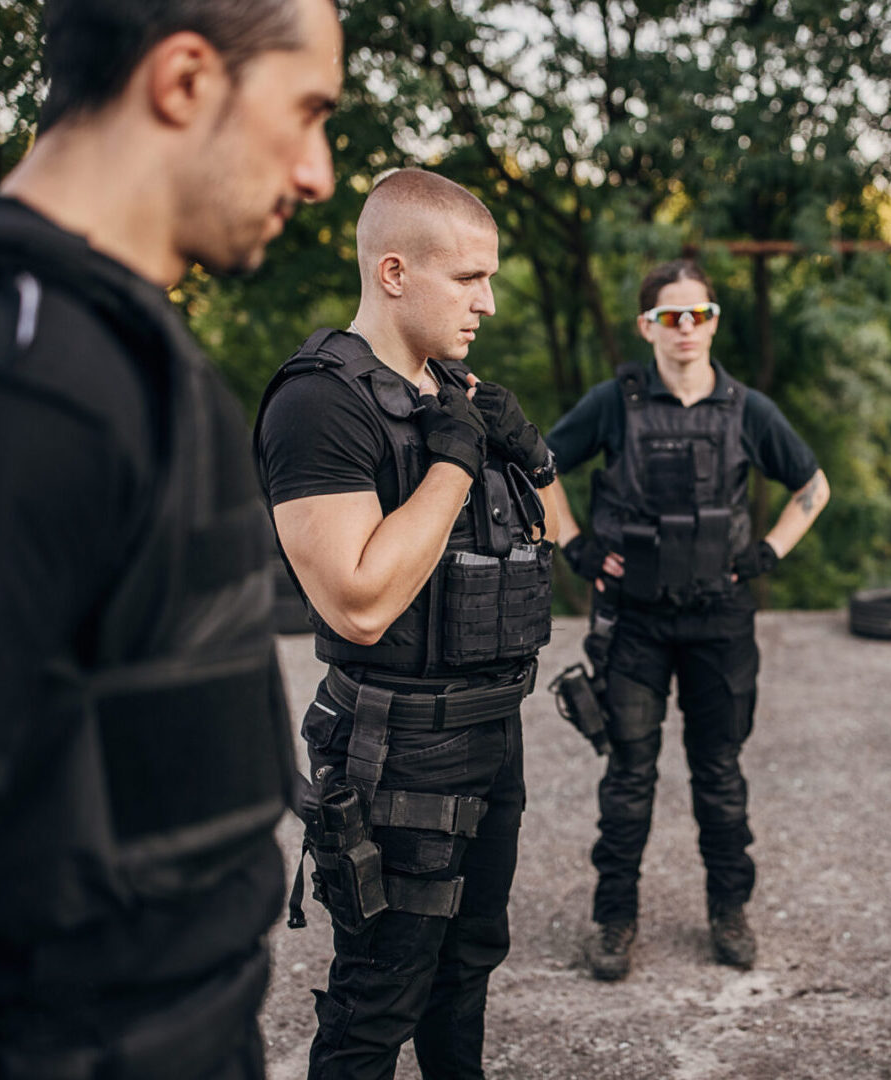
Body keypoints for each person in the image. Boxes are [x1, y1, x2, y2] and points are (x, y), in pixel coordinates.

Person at [0, 0, 342, 1075]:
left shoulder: (111, 345)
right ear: (183, 80)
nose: (320, 171)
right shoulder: (6, 379)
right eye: (308, 111)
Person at [255, 167, 556, 1080]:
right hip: (397, 750)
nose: (488, 303)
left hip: (489, 732)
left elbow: (558, 541)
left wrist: (530, 455)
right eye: (469, 279)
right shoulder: (321, 402)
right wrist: (456, 466)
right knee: (379, 998)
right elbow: (358, 600)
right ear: (394, 273)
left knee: (467, 972)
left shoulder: (454, 390)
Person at [544, 259, 830, 980]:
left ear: (714, 321)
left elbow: (813, 485)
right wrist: (574, 546)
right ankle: (613, 922)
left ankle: (729, 911)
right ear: (648, 326)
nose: (687, 329)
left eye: (699, 315)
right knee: (629, 776)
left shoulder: (747, 409)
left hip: (720, 621)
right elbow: (534, 466)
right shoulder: (615, 402)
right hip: (632, 623)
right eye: (671, 317)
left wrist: (767, 553)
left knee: (720, 774)